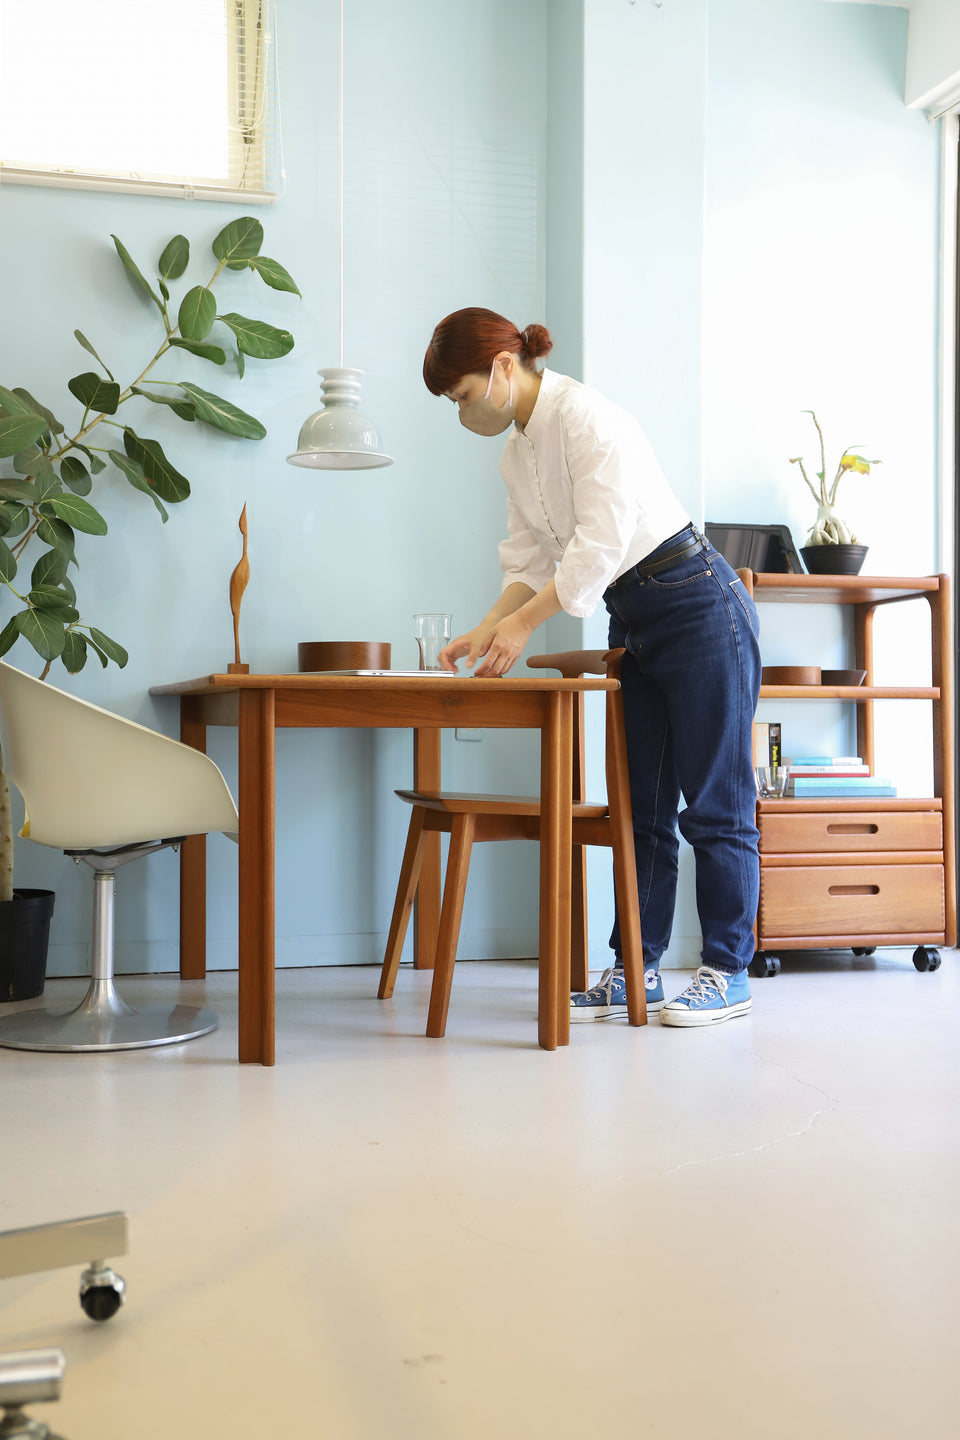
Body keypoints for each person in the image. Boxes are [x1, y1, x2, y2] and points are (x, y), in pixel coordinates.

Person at [423, 307, 761, 1027]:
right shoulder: (516, 455)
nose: (462, 412)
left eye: (462, 395)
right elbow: (527, 562)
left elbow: (600, 545)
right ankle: (636, 968)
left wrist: (522, 624)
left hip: (698, 603)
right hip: (633, 617)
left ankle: (728, 971)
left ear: (502, 367)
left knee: (715, 804)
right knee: (640, 810)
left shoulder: (585, 417)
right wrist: (488, 627)